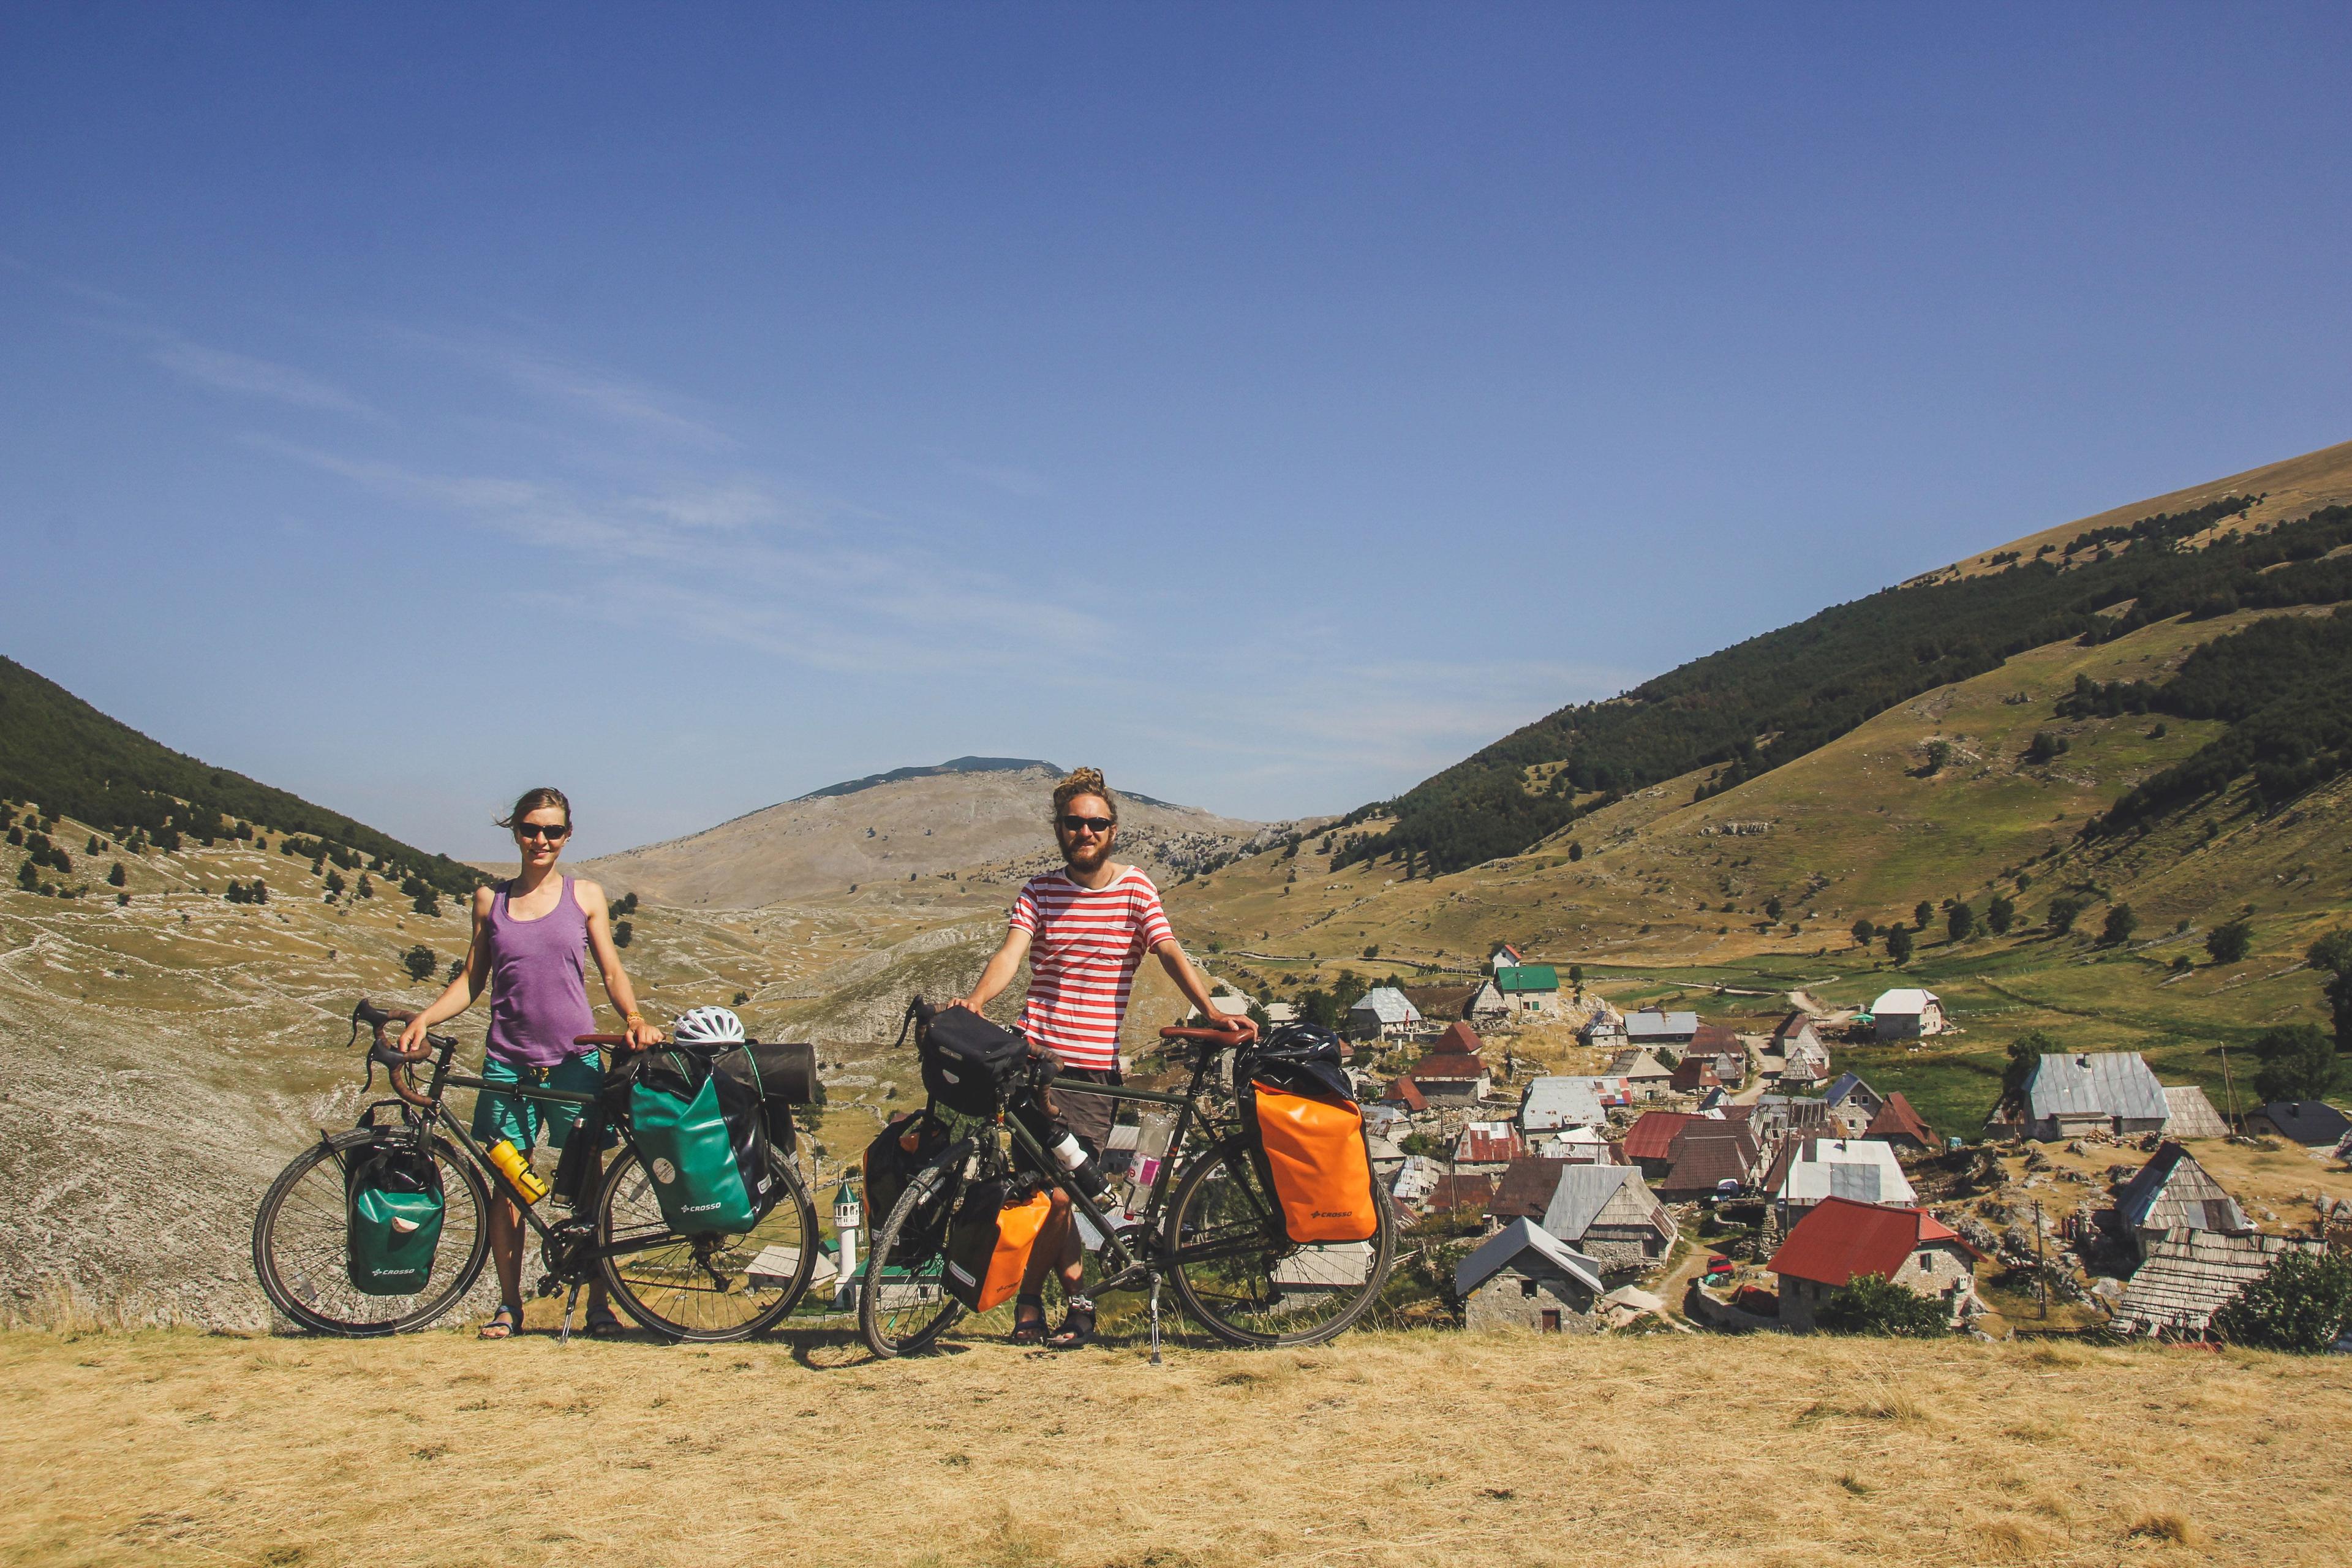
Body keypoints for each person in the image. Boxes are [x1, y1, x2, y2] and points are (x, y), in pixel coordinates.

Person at [952, 766, 1253, 1348]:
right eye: (1074, 823)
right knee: (1045, 1192)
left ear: (1113, 830)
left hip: (1091, 1071)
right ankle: (1077, 1305)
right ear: (1059, 829)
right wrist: (975, 1002)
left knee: (1064, 1193)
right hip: (1032, 1060)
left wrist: (1211, 1011)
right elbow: (1012, 954)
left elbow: (1167, 950)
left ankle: (1037, 1302)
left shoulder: (1136, 889)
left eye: (1097, 823)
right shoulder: (1039, 891)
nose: (1085, 832)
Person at [398, 786, 660, 1338]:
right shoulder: (489, 901)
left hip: (574, 1063)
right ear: (515, 831)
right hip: (508, 1065)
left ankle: (599, 1306)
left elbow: (611, 971)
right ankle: (508, 1306)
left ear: (568, 836)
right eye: (531, 829)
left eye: (553, 831)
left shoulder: (586, 895)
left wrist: (634, 1017)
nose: (541, 840)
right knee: (507, 1187)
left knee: (590, 1187)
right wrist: (425, 1018)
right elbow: (472, 979)